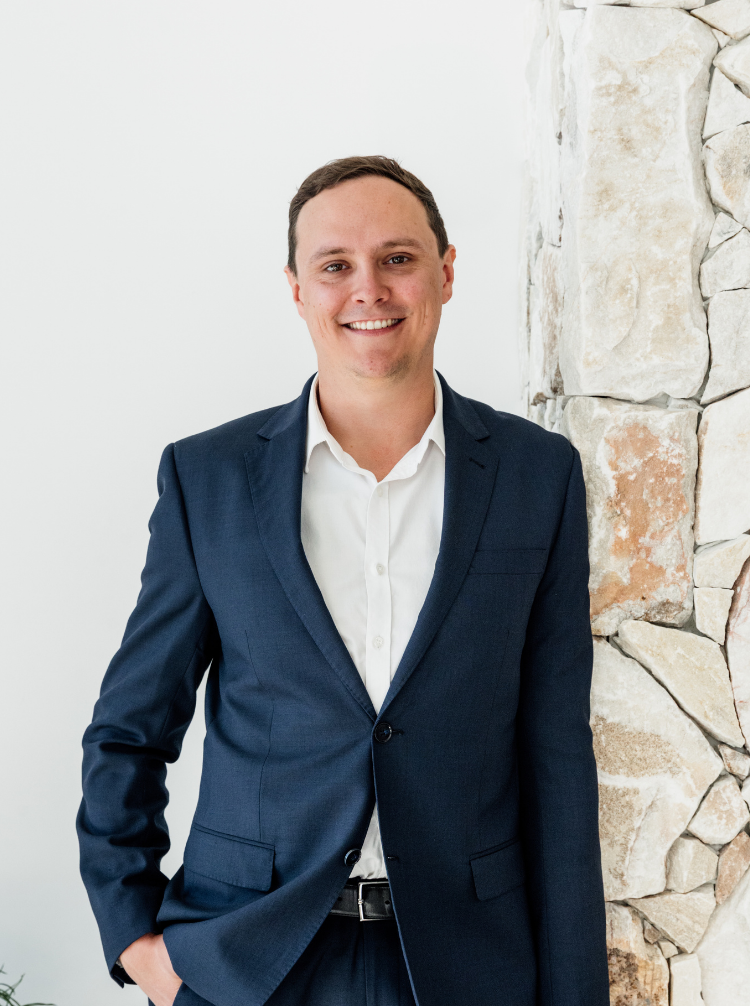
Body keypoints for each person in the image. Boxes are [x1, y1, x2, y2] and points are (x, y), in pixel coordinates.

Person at [77, 156, 609, 1006]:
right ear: (297, 289)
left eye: (397, 258)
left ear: (445, 272)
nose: (369, 289)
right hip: (247, 963)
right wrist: (137, 943)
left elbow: (556, 753)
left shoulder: (536, 477)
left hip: (466, 966)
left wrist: (576, 990)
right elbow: (129, 732)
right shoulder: (206, 479)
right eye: (335, 266)